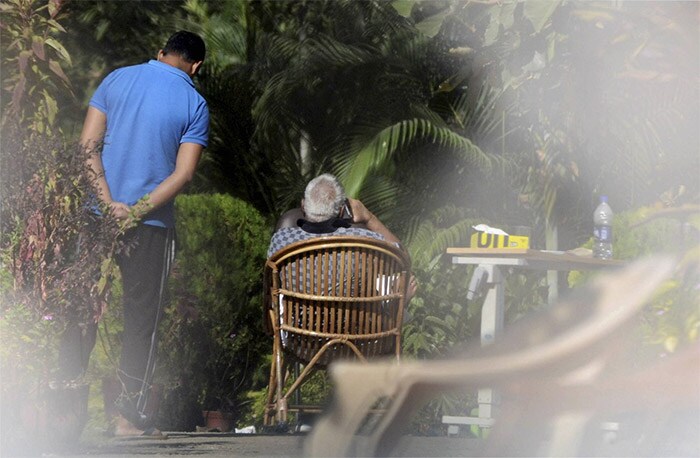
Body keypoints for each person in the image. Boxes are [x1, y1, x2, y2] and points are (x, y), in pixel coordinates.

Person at [58, 30, 209, 437]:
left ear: (159, 53)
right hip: (151, 226)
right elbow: (185, 172)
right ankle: (127, 421)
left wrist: (109, 205)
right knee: (142, 320)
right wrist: (138, 210)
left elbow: (87, 145)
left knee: (81, 308)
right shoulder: (195, 102)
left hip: (96, 216)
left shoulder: (117, 79)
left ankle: (63, 416)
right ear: (196, 66)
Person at [268, 174, 417, 297]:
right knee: (402, 285)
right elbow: (402, 259)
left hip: (297, 329)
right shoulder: (361, 241)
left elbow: (270, 286)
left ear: (303, 205)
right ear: (340, 211)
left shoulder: (281, 240)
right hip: (351, 329)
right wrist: (369, 218)